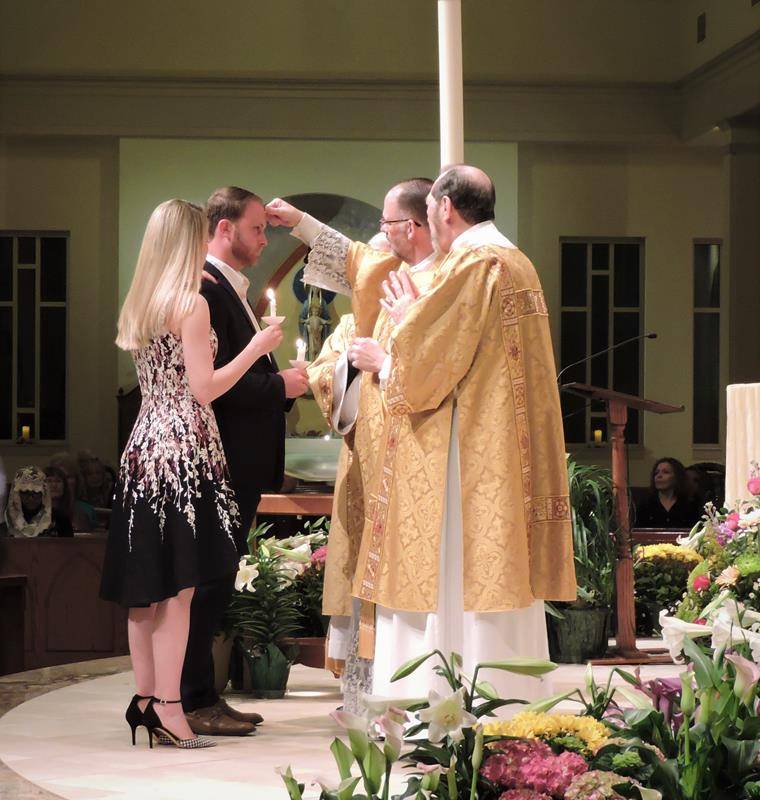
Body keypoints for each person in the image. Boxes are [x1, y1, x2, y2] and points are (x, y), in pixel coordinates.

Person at [350, 165, 577, 702]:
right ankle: (510, 704)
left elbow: (430, 371)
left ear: (445, 209)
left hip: (467, 459)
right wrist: (420, 319)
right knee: (501, 579)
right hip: (501, 456)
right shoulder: (518, 261)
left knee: (457, 577)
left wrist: (394, 347)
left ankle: (447, 705)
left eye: (430, 212)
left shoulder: (474, 264)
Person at [100, 199, 282, 749]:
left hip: (142, 450)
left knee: (144, 593)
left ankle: (146, 700)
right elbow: (204, 389)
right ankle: (173, 708)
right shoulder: (190, 304)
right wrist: (255, 348)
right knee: (179, 593)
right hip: (185, 452)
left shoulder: (140, 305)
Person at [268, 179, 439, 710]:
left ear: (416, 228)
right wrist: (347, 369)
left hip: (418, 454)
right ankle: (370, 685)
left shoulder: (443, 283)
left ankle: (412, 684)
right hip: (369, 454)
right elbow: (351, 258)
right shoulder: (378, 292)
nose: (380, 241)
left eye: (389, 227)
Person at [178, 186, 308, 737]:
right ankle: (190, 698)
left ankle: (205, 693)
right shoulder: (207, 288)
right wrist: (281, 383)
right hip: (222, 457)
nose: (264, 238)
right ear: (225, 229)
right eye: (257, 228)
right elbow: (219, 388)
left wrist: (283, 383)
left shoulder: (229, 288)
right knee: (208, 581)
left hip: (240, 459)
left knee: (218, 579)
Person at [636, 457, 701, 529]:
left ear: (677, 477)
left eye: (665, 472)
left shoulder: (690, 504)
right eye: (656, 473)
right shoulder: (646, 504)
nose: (659, 476)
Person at [48, 452, 97, 531]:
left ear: (77, 480)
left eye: (68, 477)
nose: (63, 482)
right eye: (59, 478)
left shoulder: (86, 511)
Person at [3, 466, 54, 537]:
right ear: (16, 494)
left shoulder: (59, 519)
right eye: (25, 492)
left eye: (36, 492)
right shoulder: (5, 521)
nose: (30, 498)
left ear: (44, 493)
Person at [43, 466, 75, 537]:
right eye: (49, 481)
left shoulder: (76, 511)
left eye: (58, 481)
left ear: (65, 486)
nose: (54, 485)